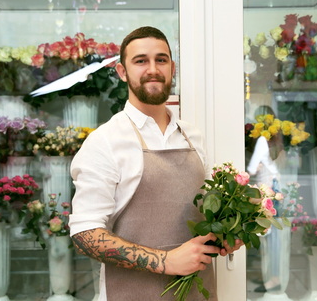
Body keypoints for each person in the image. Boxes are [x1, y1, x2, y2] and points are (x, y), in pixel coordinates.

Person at [69, 26, 242, 301]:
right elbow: (85, 233)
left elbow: (203, 216)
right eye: (140, 61)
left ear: (172, 67)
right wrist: (166, 262)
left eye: (161, 60)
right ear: (122, 72)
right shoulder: (105, 141)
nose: (153, 69)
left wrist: (228, 233)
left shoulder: (193, 137)